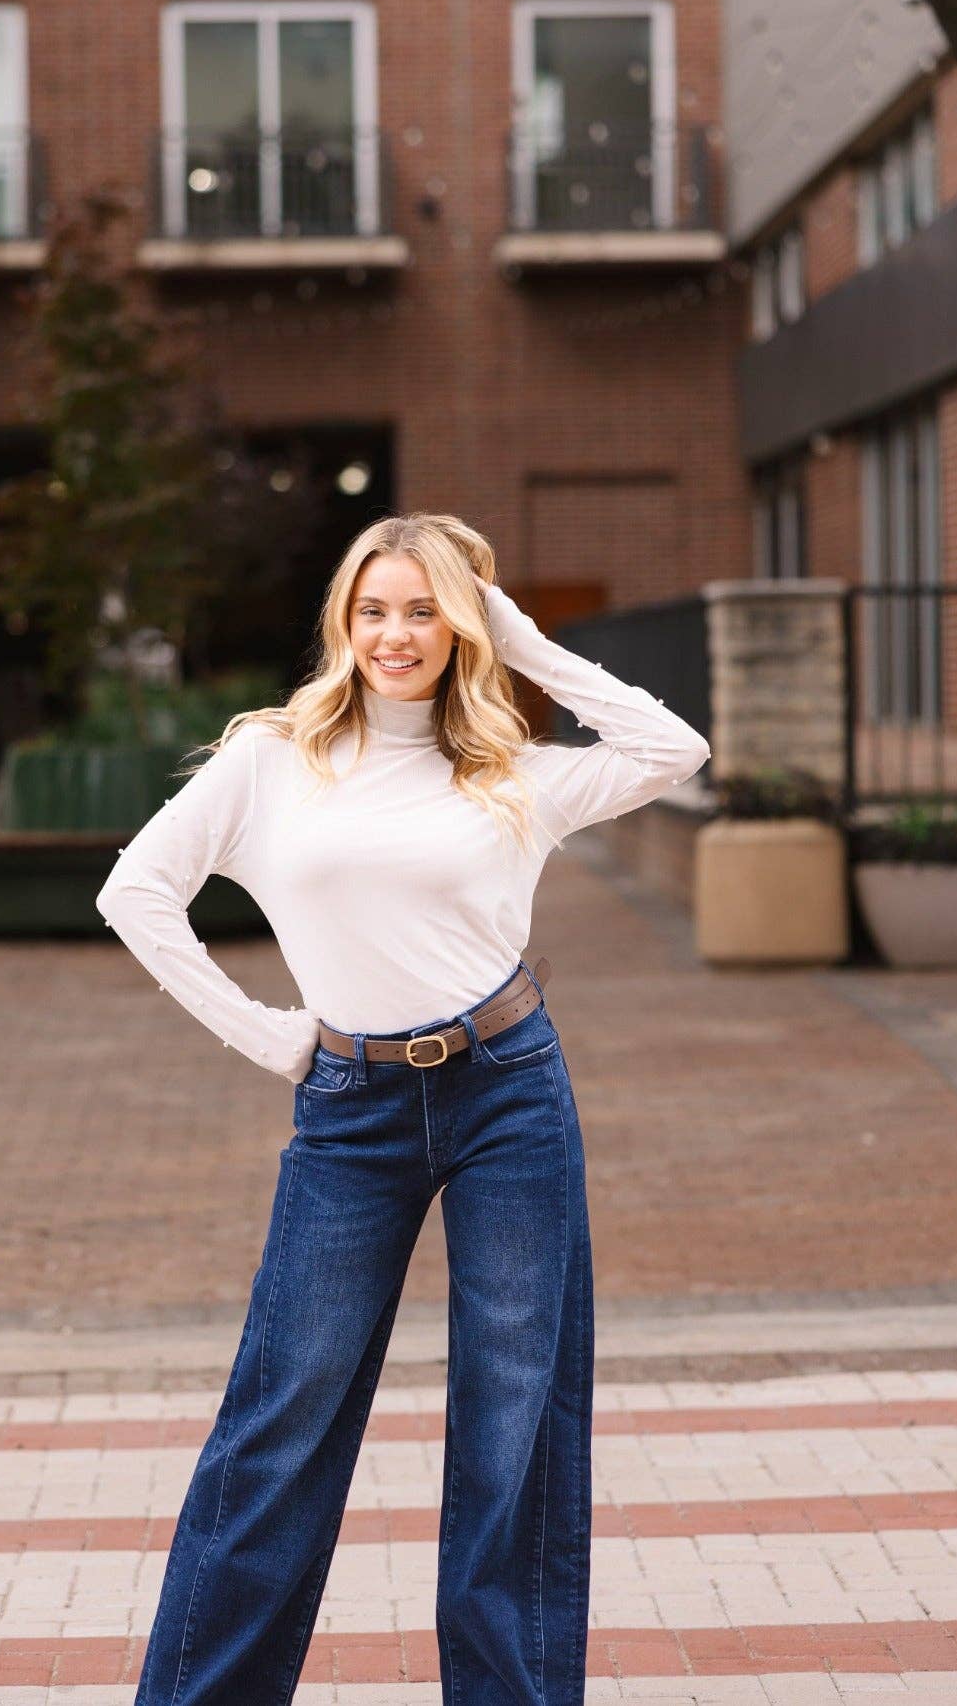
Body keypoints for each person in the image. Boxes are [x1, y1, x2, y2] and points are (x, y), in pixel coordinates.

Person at [96, 511, 711, 1705]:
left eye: (425, 608)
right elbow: (138, 890)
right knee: (282, 1417)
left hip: (509, 1093)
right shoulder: (272, 760)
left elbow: (673, 746)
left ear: (461, 624)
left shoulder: (511, 770)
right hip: (349, 1109)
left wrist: (523, 639)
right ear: (342, 619)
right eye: (374, 607)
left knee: (514, 1421)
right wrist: (271, 1033)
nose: (396, 632)